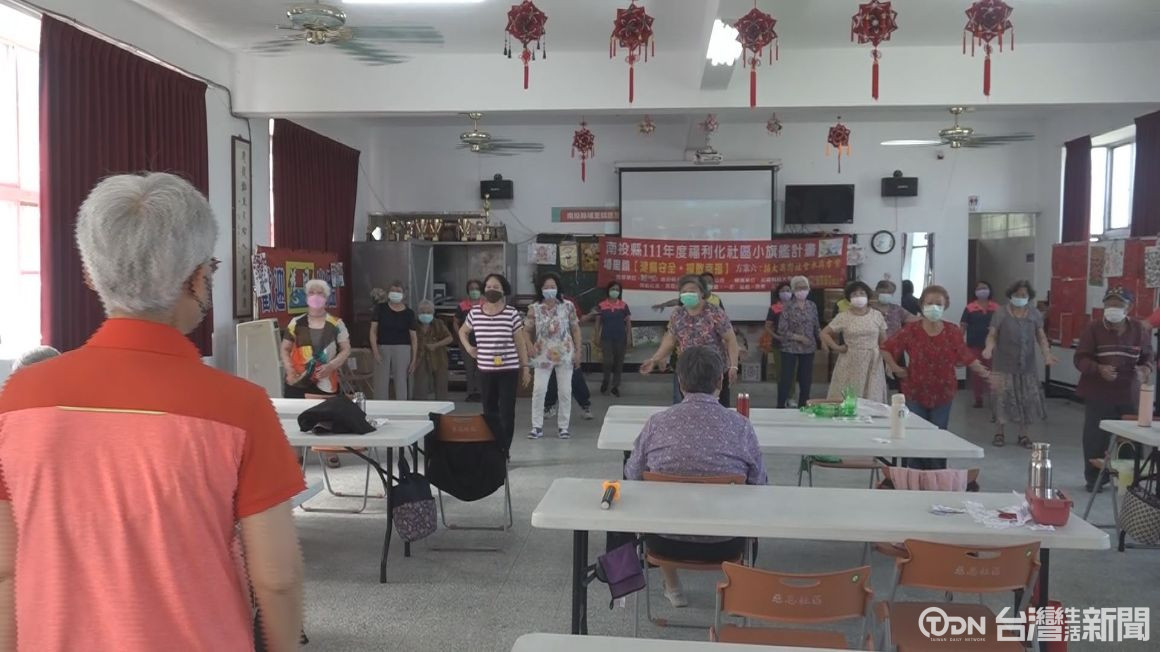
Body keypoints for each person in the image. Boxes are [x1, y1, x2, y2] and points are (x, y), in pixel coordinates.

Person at [0, 173, 304, 651]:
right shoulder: (240, 406)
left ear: (90, 275)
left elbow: (5, 568)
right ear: (197, 279)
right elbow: (277, 577)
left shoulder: (17, 399)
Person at [625, 346, 766, 607]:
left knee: (657, 502)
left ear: (680, 382)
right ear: (720, 381)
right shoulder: (740, 426)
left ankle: (673, 587)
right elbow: (759, 483)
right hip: (727, 542)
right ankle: (736, 593)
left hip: (663, 541)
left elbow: (632, 474)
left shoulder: (657, 423)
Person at [882, 284, 991, 470]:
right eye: (929, 303)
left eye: (938, 304)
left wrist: (986, 374)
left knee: (939, 433)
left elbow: (966, 356)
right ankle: (915, 474)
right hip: (914, 390)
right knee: (916, 433)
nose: (933, 307)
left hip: (943, 391)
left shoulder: (952, 331)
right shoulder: (911, 330)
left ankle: (937, 475)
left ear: (945, 306)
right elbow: (886, 348)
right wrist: (895, 367)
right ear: (922, 305)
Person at [1073, 287, 1153, 492]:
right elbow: (1080, 358)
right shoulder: (1094, 328)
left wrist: (1145, 369)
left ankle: (1129, 481)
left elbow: (1148, 357)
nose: (1112, 309)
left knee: (1131, 439)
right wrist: (1098, 368)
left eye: (1118, 305)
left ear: (1129, 307)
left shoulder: (1139, 329)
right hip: (1099, 392)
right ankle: (1095, 480)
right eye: (1109, 304)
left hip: (1129, 393)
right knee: (1095, 438)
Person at [640, 275, 740, 407]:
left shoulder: (715, 312)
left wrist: (733, 366)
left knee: (716, 409)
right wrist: (654, 359)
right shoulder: (678, 314)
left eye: (692, 291)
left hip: (713, 371)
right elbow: (670, 340)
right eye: (684, 291)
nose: (688, 294)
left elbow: (731, 340)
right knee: (684, 409)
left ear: (702, 292)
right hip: (687, 371)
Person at [459, 273, 531, 451]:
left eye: (496, 287)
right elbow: (462, 332)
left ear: (503, 290)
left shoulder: (511, 313)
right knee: (489, 410)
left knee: (506, 412)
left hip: (508, 370)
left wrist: (525, 367)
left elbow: (520, 342)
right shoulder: (475, 313)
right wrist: (469, 348)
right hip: (485, 370)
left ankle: (504, 449)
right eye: (489, 287)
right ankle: (492, 448)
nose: (491, 290)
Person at [982, 281, 1055, 449]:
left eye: (1024, 295)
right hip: (1003, 364)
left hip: (1026, 366)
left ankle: (1023, 434)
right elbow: (992, 334)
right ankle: (999, 432)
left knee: (1026, 399)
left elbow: (1041, 336)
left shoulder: (1034, 314)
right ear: (1011, 295)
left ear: (1029, 297)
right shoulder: (1001, 313)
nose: (1020, 298)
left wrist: (1047, 354)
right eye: (1017, 295)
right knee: (1002, 398)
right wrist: (988, 348)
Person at [526, 272, 582, 440]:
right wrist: (529, 345)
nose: (549, 289)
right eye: (546, 287)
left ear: (558, 288)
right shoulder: (534, 308)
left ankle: (563, 427)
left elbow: (575, 329)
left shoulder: (567, 306)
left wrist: (578, 351)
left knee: (565, 391)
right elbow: (526, 330)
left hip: (565, 354)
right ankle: (537, 426)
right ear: (540, 289)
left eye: (553, 286)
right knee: (539, 390)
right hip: (542, 354)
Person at [281, 279, 351, 399]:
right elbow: (285, 348)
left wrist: (331, 366)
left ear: (326, 298)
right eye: (311, 292)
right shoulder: (296, 323)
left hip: (326, 384)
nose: (315, 296)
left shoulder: (336, 324)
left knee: (325, 410)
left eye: (320, 293)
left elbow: (346, 349)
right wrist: (289, 369)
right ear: (306, 297)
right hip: (297, 383)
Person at [820, 281, 888, 403]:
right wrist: (836, 347)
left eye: (862, 293)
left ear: (867, 296)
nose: (858, 297)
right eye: (854, 294)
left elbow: (884, 341)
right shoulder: (843, 316)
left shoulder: (877, 315)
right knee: (847, 395)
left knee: (871, 396)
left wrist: (888, 361)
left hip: (873, 360)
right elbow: (824, 333)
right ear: (849, 298)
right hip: (850, 360)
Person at [776, 275, 821, 408]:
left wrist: (822, 339)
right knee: (786, 378)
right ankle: (780, 406)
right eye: (798, 288)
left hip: (808, 348)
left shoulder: (812, 306)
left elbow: (816, 326)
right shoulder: (787, 306)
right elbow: (782, 330)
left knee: (806, 379)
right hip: (789, 348)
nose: (802, 290)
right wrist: (799, 338)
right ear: (793, 290)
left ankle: (803, 406)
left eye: (804, 287)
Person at [370, 281, 417, 400]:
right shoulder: (380, 308)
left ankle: (402, 406)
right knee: (381, 382)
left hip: (403, 349)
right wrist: (375, 351)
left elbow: (414, 338)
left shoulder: (409, 313)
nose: (395, 293)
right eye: (393, 291)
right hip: (382, 347)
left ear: (404, 294)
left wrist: (414, 359)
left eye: (398, 291)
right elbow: (373, 331)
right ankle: (380, 407)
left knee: (401, 381)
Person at [960, 280, 1000, 408]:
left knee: (993, 371)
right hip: (974, 345)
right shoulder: (970, 308)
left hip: (992, 346)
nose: (983, 290)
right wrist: (959, 344)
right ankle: (978, 398)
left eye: (985, 288)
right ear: (975, 292)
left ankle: (994, 397)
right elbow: (963, 327)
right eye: (980, 288)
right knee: (977, 373)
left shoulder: (996, 307)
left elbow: (1002, 325)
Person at [595, 280, 632, 396]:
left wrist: (629, 337)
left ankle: (615, 386)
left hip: (621, 337)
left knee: (618, 363)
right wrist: (596, 336)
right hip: (606, 338)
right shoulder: (601, 305)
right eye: (612, 289)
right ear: (608, 290)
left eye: (617, 290)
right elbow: (597, 322)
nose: (615, 291)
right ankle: (606, 380)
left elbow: (628, 323)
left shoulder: (624, 305)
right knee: (608, 361)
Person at [412, 299, 453, 401]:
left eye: (428, 312)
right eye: (423, 312)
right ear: (418, 313)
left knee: (441, 386)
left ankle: (442, 408)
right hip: (420, 358)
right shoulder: (414, 324)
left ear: (433, 312)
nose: (425, 314)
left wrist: (435, 345)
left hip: (439, 358)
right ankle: (420, 407)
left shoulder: (438, 323)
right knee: (420, 386)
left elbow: (449, 338)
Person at [453, 279, 484, 402]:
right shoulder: (462, 306)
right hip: (467, 343)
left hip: (482, 342)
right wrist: (461, 335)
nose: (474, 291)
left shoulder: (485, 305)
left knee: (481, 368)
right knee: (469, 369)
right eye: (472, 289)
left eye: (477, 289)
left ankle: (481, 392)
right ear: (468, 291)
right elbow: (455, 322)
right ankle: (471, 393)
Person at [651, 271, 724, 311]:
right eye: (705, 281)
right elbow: (676, 301)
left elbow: (723, 316)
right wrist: (664, 304)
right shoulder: (693, 297)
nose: (707, 283)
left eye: (710, 281)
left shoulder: (717, 299)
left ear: (713, 284)